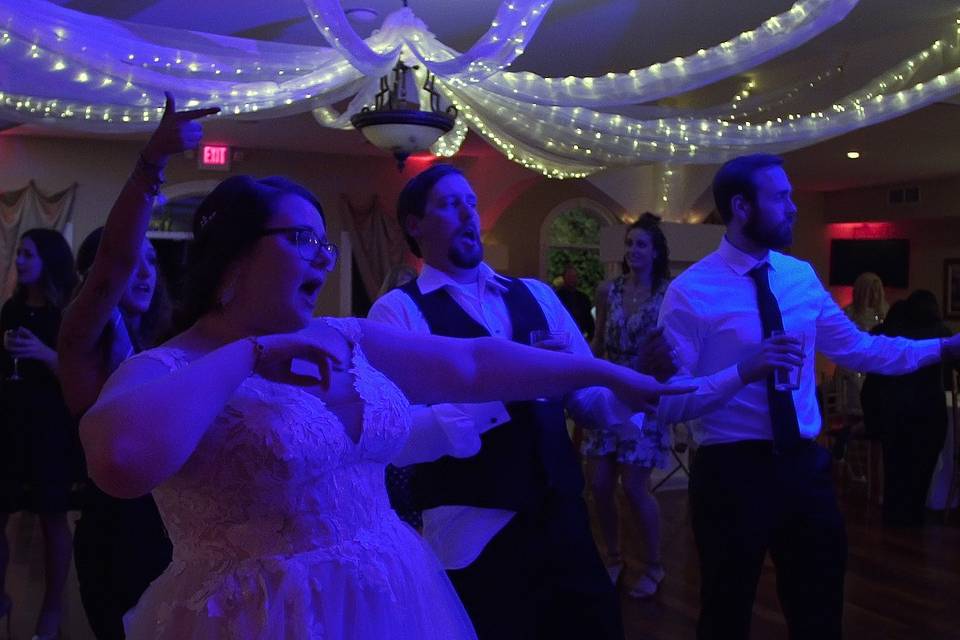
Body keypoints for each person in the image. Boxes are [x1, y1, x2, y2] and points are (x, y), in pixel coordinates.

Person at [78, 168, 691, 639]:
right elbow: (121, 461)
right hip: (263, 614)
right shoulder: (167, 367)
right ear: (234, 255)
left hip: (395, 590)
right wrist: (248, 355)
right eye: (301, 239)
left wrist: (607, 372)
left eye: (325, 243)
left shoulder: (346, 335)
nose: (323, 256)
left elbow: (473, 362)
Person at [655, 153, 960, 640]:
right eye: (782, 197)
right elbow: (668, 401)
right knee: (725, 610)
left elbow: (863, 349)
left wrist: (945, 347)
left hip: (803, 467)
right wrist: (742, 371)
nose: (794, 207)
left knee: (819, 607)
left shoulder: (799, 277)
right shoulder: (691, 293)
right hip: (731, 471)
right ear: (741, 206)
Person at [368, 164, 653, 639]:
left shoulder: (538, 297)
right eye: (448, 204)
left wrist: (631, 384)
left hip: (565, 524)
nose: (467, 213)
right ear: (414, 225)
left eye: (471, 203)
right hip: (473, 535)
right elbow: (396, 438)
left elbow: (586, 402)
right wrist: (505, 387)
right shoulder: (398, 312)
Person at [58, 93, 216, 639]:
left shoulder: (175, 342)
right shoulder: (85, 339)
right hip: (118, 529)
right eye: (135, 262)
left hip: (186, 529)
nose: (143, 272)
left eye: (154, 262)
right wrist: (152, 164)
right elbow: (113, 266)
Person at [586, 212, 676, 597]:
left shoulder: (667, 294)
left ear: (655, 252)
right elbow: (598, 340)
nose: (633, 251)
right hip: (609, 387)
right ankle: (614, 555)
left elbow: (676, 348)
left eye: (641, 244)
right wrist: (581, 378)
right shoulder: (609, 290)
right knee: (599, 483)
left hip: (644, 391)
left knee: (634, 486)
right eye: (629, 244)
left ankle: (655, 565)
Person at [0, 228, 79, 639]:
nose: (20, 260)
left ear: (49, 259)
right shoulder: (10, 311)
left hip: (49, 427)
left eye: (28, 254)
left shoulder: (65, 314)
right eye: (19, 254)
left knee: (51, 518)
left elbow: (81, 376)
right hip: (10, 423)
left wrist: (46, 355)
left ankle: (51, 610)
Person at [863, 290, 953, 525]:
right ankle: (913, 520)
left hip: (893, 412)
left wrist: (872, 417)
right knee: (922, 471)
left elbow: (871, 383)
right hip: (929, 412)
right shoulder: (939, 334)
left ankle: (893, 520)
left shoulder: (887, 333)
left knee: (895, 470)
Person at [556, 264, 595, 341]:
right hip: (562, 336)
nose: (572, 280)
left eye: (574, 277)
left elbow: (589, 320)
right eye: (569, 277)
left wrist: (591, 337)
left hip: (580, 336)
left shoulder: (583, 298)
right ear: (564, 278)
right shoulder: (557, 297)